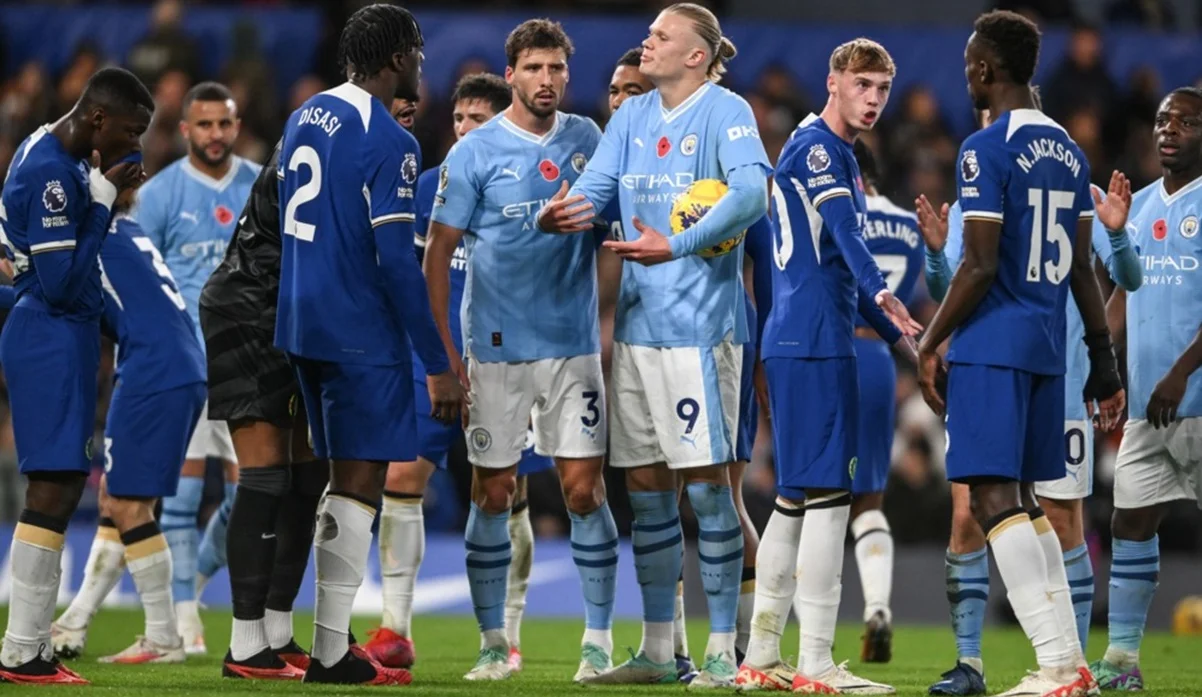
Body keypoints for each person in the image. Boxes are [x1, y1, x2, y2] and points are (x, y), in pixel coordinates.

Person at [540, 4, 771, 687]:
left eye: (663, 35)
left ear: (697, 56)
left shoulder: (726, 111)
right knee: (645, 491)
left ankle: (723, 650)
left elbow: (752, 195)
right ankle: (659, 650)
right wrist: (562, 213)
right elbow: (595, 190)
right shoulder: (634, 114)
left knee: (707, 489)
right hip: (637, 330)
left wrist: (676, 243)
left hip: (700, 330)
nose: (649, 41)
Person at [914, 11, 1124, 697]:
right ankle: (1070, 664)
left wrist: (929, 339)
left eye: (969, 62)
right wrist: (1102, 360)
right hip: (1047, 349)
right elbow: (1084, 269)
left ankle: (1058, 665)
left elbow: (977, 265)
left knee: (990, 498)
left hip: (993, 345)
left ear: (986, 68)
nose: (966, 73)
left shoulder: (985, 148)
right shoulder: (1071, 152)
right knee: (1029, 503)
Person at [277, 3, 462, 686]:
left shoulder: (307, 113)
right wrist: (438, 364)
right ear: (395, 59)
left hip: (300, 322)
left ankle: (319, 640)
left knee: (334, 482)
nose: (422, 63)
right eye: (417, 51)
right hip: (358, 330)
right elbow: (395, 263)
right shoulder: (391, 140)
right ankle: (330, 653)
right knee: (358, 487)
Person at [426, 20, 616, 683]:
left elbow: (613, 222)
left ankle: (597, 641)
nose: (546, 79)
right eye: (534, 67)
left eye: (556, 68)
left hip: (572, 346)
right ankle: (492, 642)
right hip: (495, 346)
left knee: (584, 491)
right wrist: (445, 358)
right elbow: (438, 255)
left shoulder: (588, 138)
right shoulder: (474, 152)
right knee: (494, 492)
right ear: (511, 75)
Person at [736, 40, 919, 695]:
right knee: (830, 499)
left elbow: (838, 251)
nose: (873, 99)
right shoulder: (818, 149)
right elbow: (845, 231)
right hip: (815, 337)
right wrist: (883, 290)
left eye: (883, 89)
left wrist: (889, 322)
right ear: (833, 81)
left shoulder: (831, 150)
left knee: (794, 498)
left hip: (805, 335)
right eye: (862, 84)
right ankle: (815, 661)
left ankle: (762, 654)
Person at [363, 72, 558, 675]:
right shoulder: (425, 188)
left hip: (506, 359)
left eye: (478, 119)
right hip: (433, 360)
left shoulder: (528, 185)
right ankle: (395, 628)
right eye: (458, 118)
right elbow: (403, 273)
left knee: (505, 492)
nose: (464, 129)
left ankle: (509, 633)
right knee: (402, 475)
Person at [0, 66, 152, 685]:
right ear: (97, 118)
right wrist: (103, 201)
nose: (135, 145)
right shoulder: (53, 175)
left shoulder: (49, 150)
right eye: (131, 131)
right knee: (53, 488)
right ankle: (21, 651)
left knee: (60, 486)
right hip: (50, 333)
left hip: (55, 332)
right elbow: (61, 285)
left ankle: (27, 648)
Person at [48, 177, 206, 666]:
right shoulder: (127, 230)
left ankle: (163, 637)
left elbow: (58, 301)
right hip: (177, 365)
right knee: (117, 497)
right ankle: (75, 621)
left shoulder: (90, 241)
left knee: (127, 503)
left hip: (152, 371)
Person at [134, 80, 260, 655]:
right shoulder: (159, 194)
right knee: (181, 499)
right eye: (204, 124)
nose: (215, 134)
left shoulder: (261, 185)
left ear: (237, 126)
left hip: (248, 363)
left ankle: (199, 579)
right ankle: (185, 617)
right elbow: (142, 282)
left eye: (224, 123)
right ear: (185, 129)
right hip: (186, 365)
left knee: (246, 496)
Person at [198, 137, 327, 680]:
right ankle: (246, 646)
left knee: (308, 474)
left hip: (292, 312)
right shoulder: (346, 135)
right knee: (265, 474)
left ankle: (276, 631)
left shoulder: (320, 130)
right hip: (250, 309)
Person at [1089, 87, 1202, 692]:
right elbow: (1124, 297)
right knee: (1130, 524)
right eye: (1162, 120)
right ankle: (1122, 662)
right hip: (1148, 410)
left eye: (1185, 122)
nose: (1169, 130)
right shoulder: (1139, 204)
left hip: (1197, 403)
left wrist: (1181, 372)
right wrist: (1099, 366)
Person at [849, 139, 927, 664]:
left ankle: (797, 636)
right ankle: (877, 606)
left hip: (830, 352)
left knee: (807, 499)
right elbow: (915, 303)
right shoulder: (908, 224)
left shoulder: (835, 212)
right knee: (869, 499)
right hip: (880, 360)